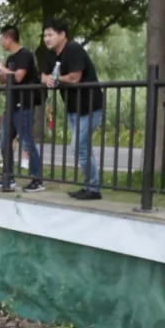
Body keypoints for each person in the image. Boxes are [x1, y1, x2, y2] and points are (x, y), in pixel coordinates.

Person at [41, 17, 104, 200]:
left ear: (62, 35)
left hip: (90, 106)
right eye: (45, 35)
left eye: (50, 34)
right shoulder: (51, 55)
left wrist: (56, 79)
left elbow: (75, 78)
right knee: (84, 148)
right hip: (73, 108)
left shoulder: (73, 49)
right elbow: (43, 76)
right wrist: (48, 79)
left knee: (78, 147)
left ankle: (93, 188)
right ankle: (91, 186)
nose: (46, 39)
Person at [0, 25, 44, 193]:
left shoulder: (25, 55)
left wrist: (0, 67)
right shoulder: (10, 59)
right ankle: (9, 176)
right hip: (11, 105)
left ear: (9, 38)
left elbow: (19, 77)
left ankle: (37, 179)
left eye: (2, 39)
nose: (1, 42)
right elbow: (4, 81)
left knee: (27, 141)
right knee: (5, 140)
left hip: (24, 104)